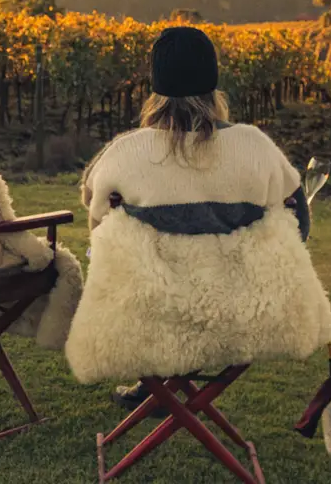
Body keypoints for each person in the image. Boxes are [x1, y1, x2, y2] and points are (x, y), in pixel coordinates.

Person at [78, 26, 311, 414]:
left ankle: (157, 385)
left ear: (156, 88)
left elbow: (96, 215)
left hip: (149, 308)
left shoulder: (125, 152)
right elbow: (297, 221)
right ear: (213, 84)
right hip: (239, 312)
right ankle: (165, 387)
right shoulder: (255, 146)